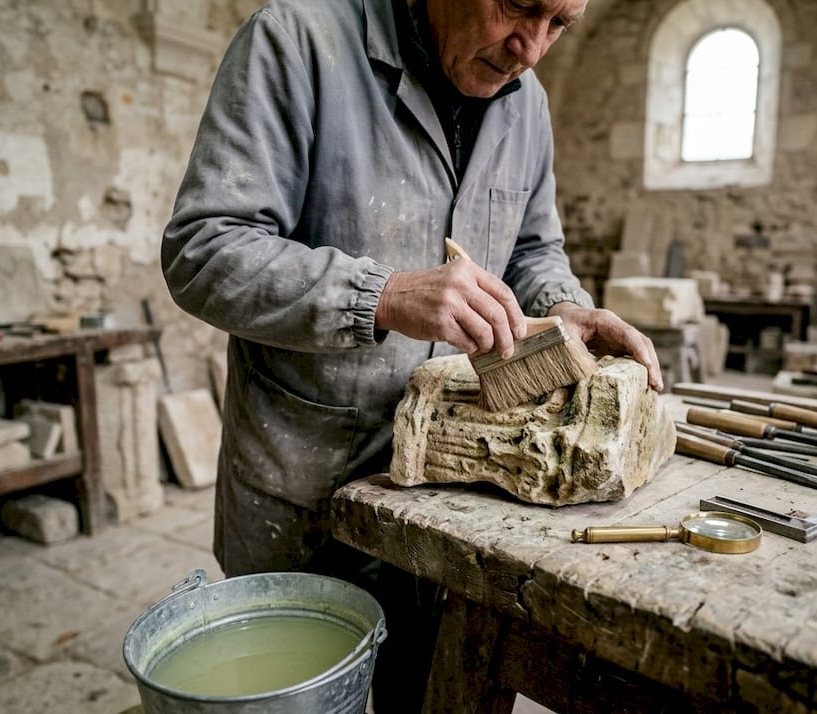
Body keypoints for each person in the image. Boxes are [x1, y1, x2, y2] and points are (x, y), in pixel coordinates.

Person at [162, 0, 662, 709]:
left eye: (560, 24)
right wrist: (381, 295)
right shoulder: (298, 40)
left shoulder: (527, 102)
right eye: (521, 7)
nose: (533, 48)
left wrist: (562, 304)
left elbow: (533, 248)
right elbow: (203, 250)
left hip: (456, 487)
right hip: (308, 484)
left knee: (432, 689)